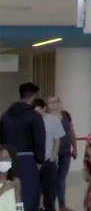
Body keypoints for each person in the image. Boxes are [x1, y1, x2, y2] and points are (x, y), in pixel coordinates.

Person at [0, 82, 45, 211]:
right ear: (33, 96)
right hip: (28, 160)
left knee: (10, 195)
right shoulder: (34, 116)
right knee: (29, 196)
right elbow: (39, 140)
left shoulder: (5, 115)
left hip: (7, 160)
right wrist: (40, 160)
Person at [33, 98, 65, 211]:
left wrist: (52, 158)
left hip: (48, 161)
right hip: (34, 162)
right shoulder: (31, 121)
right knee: (35, 192)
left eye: (38, 111)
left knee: (49, 194)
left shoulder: (53, 120)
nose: (37, 114)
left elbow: (57, 141)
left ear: (44, 108)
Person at [45, 96, 77, 211]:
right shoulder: (46, 118)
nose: (53, 104)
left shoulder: (66, 116)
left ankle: (62, 206)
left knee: (61, 180)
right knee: (53, 181)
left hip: (66, 153)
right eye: (50, 103)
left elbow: (71, 132)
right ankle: (51, 206)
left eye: (55, 101)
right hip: (52, 154)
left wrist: (75, 148)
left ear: (60, 103)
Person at [0, 145, 21, 211]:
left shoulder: (16, 181)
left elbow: (19, 203)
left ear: (11, 160)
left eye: (6, 158)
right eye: (0, 159)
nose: (3, 161)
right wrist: (2, 189)